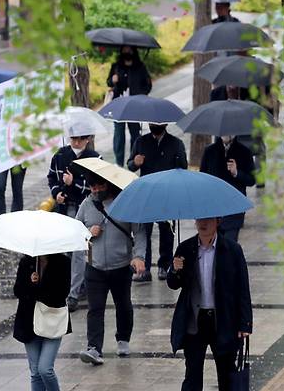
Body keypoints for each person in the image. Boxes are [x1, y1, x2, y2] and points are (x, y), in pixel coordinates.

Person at [168, 217, 252, 391]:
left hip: (222, 320)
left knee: (227, 373)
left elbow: (242, 287)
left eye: (208, 220)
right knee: (192, 374)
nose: (203, 223)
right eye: (200, 220)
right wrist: (175, 269)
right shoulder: (185, 248)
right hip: (194, 321)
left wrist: (245, 323)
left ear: (218, 222)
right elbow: (174, 284)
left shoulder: (232, 250)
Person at [76, 175, 146, 365]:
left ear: (109, 184)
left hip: (121, 266)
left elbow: (139, 232)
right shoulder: (86, 204)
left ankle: (123, 338)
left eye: (100, 186)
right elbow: (75, 230)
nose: (96, 190)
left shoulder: (125, 203)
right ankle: (94, 348)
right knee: (95, 308)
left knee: (123, 304)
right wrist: (88, 233)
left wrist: (139, 256)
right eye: (93, 187)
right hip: (94, 266)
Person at [47, 131, 100, 312]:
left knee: (79, 250)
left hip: (86, 208)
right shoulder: (60, 155)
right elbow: (52, 177)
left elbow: (96, 185)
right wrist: (57, 193)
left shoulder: (94, 157)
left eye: (80, 139)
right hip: (65, 208)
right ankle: (73, 284)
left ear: (87, 139)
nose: (76, 142)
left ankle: (73, 294)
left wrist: (73, 183)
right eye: (73, 139)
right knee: (66, 250)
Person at [127, 123, 188, 281]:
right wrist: (135, 162)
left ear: (165, 124)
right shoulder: (141, 142)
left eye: (159, 124)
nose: (155, 125)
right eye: (153, 123)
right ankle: (144, 268)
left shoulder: (176, 143)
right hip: (146, 194)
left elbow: (183, 167)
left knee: (167, 231)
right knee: (143, 230)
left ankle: (164, 265)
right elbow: (130, 165)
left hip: (167, 193)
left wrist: (177, 165)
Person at [13, 253, 71, 391]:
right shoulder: (27, 261)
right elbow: (18, 291)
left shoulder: (63, 262)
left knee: (45, 369)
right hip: (29, 322)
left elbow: (62, 293)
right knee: (35, 372)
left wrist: (40, 285)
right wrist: (30, 283)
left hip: (52, 320)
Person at [200, 136, 255, 242]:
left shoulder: (244, 151)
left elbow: (251, 180)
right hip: (213, 209)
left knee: (230, 246)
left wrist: (237, 173)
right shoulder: (210, 151)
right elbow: (203, 178)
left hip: (234, 209)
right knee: (213, 248)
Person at [107, 46, 152, 167]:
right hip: (119, 104)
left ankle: (133, 161)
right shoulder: (116, 66)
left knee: (135, 133)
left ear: (133, 51)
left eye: (129, 50)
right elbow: (108, 82)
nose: (127, 52)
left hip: (135, 105)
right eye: (124, 50)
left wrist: (141, 94)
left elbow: (148, 84)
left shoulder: (140, 67)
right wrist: (112, 80)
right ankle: (119, 162)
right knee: (119, 134)